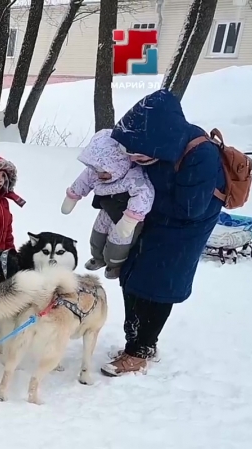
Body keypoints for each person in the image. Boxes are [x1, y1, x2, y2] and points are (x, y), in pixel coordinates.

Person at [100, 89, 225, 376]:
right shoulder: (150, 146)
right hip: (152, 220)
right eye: (128, 150)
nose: (132, 156)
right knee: (130, 276)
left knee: (159, 286)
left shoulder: (201, 154)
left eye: (137, 152)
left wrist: (140, 204)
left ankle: (140, 350)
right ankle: (135, 341)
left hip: (185, 230)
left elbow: (191, 208)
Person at [61, 129, 155, 279]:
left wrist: (130, 220)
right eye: (97, 170)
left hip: (126, 218)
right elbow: (84, 180)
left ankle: (114, 265)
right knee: (97, 235)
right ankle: (98, 257)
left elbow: (144, 195)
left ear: (118, 165)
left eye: (104, 172)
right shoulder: (97, 171)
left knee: (117, 243)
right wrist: (73, 196)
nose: (99, 175)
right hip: (107, 210)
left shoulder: (133, 176)